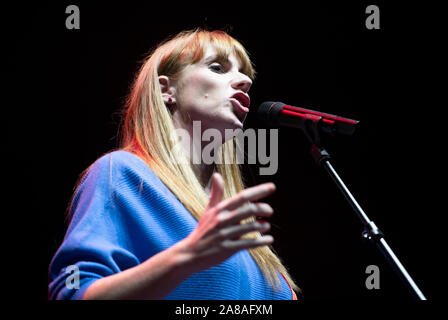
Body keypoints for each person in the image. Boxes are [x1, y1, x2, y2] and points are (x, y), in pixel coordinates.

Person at [48, 29, 299, 300]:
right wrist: (187, 255)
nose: (244, 81)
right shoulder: (122, 175)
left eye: (244, 73)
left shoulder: (236, 226)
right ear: (166, 89)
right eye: (218, 67)